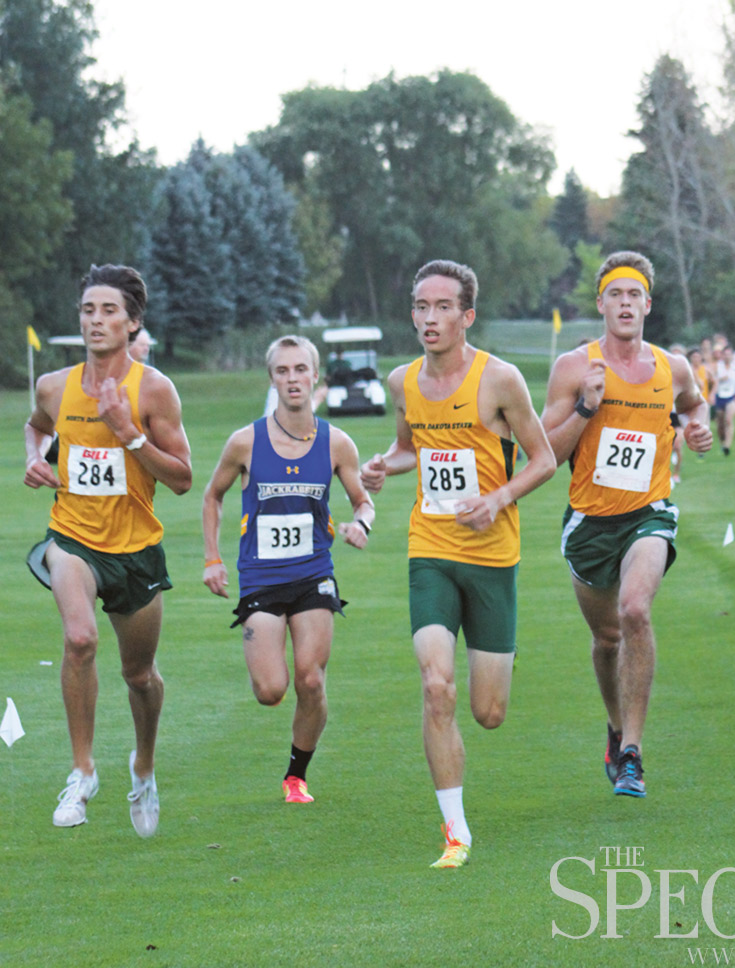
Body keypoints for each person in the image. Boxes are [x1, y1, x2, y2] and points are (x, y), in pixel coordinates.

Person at [360, 259, 555, 869]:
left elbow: (544, 459)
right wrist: (382, 466)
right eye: (421, 306)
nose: (430, 317)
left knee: (488, 713)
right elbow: (409, 448)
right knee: (436, 684)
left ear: (466, 316)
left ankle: (500, 655)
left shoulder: (500, 380)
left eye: (443, 307)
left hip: (493, 555)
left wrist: (498, 498)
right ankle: (456, 831)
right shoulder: (402, 381)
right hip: (432, 549)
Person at [23, 264, 192, 836]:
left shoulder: (153, 389)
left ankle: (143, 767)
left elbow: (182, 478)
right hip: (72, 538)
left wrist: (130, 434)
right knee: (79, 639)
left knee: (140, 675)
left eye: (109, 311)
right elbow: (36, 426)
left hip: (136, 551)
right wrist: (35, 457)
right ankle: (83, 771)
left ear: (132, 322)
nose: (96, 320)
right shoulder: (54, 386)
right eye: (88, 310)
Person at [541, 251, 713, 799]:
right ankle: (616, 730)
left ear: (647, 305)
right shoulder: (574, 367)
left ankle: (633, 754)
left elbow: (696, 404)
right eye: (615, 294)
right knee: (606, 637)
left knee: (635, 610)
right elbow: (545, 452)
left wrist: (698, 428)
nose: (624, 303)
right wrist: (586, 409)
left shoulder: (672, 367)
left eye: (634, 294)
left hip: (649, 513)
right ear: (601, 303)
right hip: (590, 523)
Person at [202, 335, 373, 804]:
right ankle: (268, 669)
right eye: (283, 371)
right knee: (271, 690)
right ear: (272, 379)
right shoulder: (245, 442)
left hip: (314, 574)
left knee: (311, 680)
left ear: (315, 376)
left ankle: (296, 776)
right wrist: (213, 558)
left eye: (301, 369)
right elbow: (212, 496)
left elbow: (362, 501)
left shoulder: (337, 443)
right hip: (260, 578)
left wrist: (361, 524)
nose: (293, 379)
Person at [713, 345, 735, 457]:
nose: (727, 356)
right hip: (720, 396)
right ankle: (722, 443)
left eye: (729, 354)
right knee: (720, 423)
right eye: (725, 354)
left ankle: (727, 445)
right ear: (722, 355)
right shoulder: (718, 366)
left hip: (732, 396)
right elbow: (712, 380)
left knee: (728, 420)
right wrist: (720, 379)